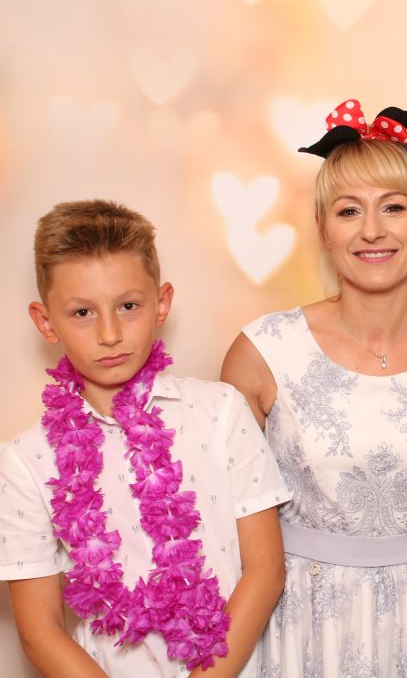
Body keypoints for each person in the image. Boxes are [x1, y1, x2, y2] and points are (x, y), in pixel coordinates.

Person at [221, 98, 407, 677]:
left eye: (393, 207)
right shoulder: (262, 353)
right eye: (349, 211)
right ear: (324, 230)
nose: (372, 230)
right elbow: (222, 519)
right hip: (302, 622)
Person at [0, 200, 290, 677]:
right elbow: (40, 629)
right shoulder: (27, 460)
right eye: (82, 312)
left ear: (162, 303)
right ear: (46, 322)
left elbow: (266, 571)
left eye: (128, 306)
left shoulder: (220, 411)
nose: (110, 333)